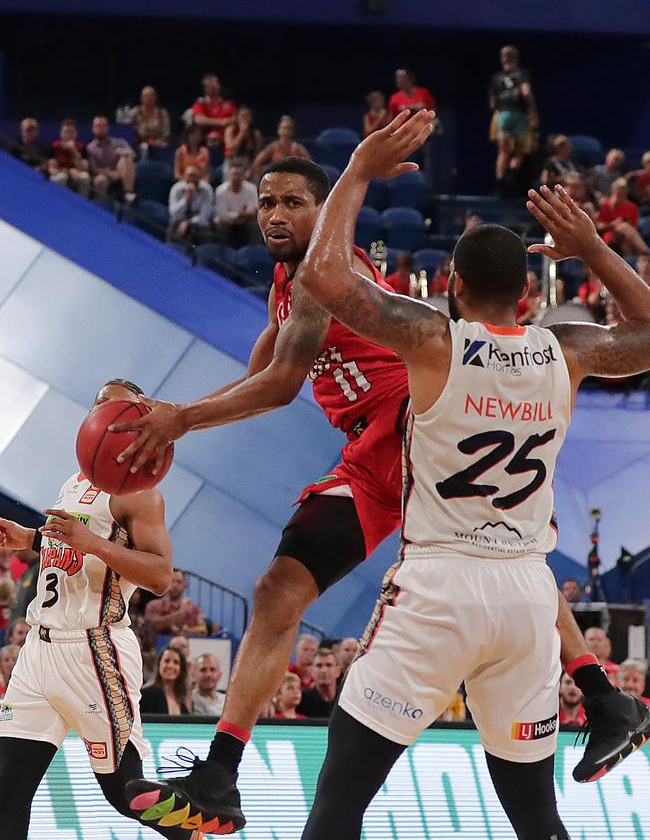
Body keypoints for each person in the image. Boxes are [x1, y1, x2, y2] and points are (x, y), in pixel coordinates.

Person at [121, 149, 644, 834]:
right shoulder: (289, 287)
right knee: (495, 557)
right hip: (406, 471)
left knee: (301, 595)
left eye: (294, 202)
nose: (276, 214)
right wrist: (185, 417)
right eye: (266, 202)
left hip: (403, 430)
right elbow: (261, 379)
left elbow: (282, 384)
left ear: (453, 285)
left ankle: (222, 770)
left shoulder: (339, 290)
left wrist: (181, 418)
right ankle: (604, 695)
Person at [288, 111, 650, 840]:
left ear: (451, 284)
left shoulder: (433, 341)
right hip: (526, 596)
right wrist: (592, 247)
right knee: (535, 815)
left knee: (339, 799)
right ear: (527, 290)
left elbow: (324, 276)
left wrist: (358, 166)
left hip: (440, 586)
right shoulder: (565, 349)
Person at [0, 379, 199, 840]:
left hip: (94, 650)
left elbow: (160, 576)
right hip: (38, 650)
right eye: (98, 407)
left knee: (124, 792)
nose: (101, 416)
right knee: (8, 787)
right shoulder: (74, 480)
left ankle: (195, 828)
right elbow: (69, 551)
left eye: (115, 409)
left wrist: (92, 542)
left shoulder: (139, 492)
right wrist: (28, 538)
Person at [489, 45, 537, 188]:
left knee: (503, 150)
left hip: (503, 114)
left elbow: (492, 103)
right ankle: (512, 173)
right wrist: (533, 110)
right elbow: (526, 92)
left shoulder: (497, 78)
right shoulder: (522, 74)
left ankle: (500, 180)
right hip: (519, 114)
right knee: (519, 150)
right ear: (515, 58)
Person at [86, 115, 136, 202]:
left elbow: (133, 154)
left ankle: (128, 194)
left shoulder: (119, 142)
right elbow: (93, 169)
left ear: (107, 128)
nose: (100, 129)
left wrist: (123, 152)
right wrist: (109, 173)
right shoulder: (90, 148)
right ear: (93, 129)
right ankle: (101, 207)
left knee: (126, 157)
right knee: (100, 180)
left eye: (103, 126)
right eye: (98, 126)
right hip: (103, 174)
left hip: (121, 172)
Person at [597, 178, 650, 257]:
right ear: (613, 192)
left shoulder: (632, 207)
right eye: (618, 193)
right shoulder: (606, 205)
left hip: (626, 236)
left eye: (623, 194)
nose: (620, 196)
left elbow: (634, 227)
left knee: (626, 232)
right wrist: (613, 224)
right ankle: (645, 251)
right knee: (623, 226)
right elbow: (599, 226)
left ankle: (628, 262)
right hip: (610, 234)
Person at [145, 569, 207, 636]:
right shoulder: (154, 605)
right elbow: (153, 626)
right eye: (171, 581)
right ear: (165, 584)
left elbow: (202, 631)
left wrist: (183, 632)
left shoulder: (193, 608)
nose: (175, 585)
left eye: (179, 582)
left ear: (185, 586)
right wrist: (181, 612)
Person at [213, 160, 260, 248]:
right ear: (229, 175)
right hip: (227, 222)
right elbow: (222, 215)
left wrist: (233, 215)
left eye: (239, 174)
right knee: (221, 226)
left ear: (244, 175)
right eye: (234, 174)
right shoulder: (220, 191)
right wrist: (240, 214)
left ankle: (254, 252)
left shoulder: (251, 188)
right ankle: (223, 252)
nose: (236, 177)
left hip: (245, 221)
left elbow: (253, 212)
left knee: (254, 225)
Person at [167, 164, 215, 245]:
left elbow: (204, 216)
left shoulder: (207, 190)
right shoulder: (176, 189)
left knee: (205, 227)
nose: (192, 179)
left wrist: (188, 223)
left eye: (195, 176)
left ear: (200, 177)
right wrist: (185, 199)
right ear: (184, 177)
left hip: (198, 223)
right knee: (173, 225)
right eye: (189, 175)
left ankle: (204, 254)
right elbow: (173, 213)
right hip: (179, 222)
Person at [252, 116, 310, 180]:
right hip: (277, 181)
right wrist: (262, 181)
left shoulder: (298, 148)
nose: (286, 131)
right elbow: (257, 162)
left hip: (293, 182)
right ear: (279, 130)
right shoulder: (272, 147)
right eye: (284, 128)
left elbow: (310, 164)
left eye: (289, 128)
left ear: (292, 131)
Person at [140, 646, 191, 715]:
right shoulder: (145, 694)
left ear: (181, 669)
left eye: (176, 662)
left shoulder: (182, 699)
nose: (170, 666)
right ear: (159, 664)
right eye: (167, 661)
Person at [191, 73, 236, 147]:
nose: (213, 87)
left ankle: (229, 153)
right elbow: (198, 119)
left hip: (225, 136)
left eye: (214, 83)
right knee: (196, 129)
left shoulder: (228, 103)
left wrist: (227, 122)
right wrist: (221, 122)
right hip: (204, 136)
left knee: (231, 128)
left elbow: (234, 118)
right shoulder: (200, 103)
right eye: (209, 85)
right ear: (205, 88)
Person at [48, 118, 91, 196]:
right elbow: (52, 170)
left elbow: (84, 169)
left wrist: (74, 151)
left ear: (75, 134)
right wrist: (67, 171)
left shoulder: (81, 147)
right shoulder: (55, 146)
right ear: (61, 133)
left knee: (85, 177)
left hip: (76, 175)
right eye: (66, 132)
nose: (68, 135)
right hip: (61, 174)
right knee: (62, 177)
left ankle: (82, 205)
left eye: (71, 132)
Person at [298, 648, 339, 719]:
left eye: (329, 665)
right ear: (311, 671)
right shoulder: (301, 700)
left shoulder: (345, 699)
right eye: (319, 666)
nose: (324, 670)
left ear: (338, 671)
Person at [223, 104, 262, 177]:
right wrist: (241, 133)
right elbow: (229, 147)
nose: (245, 118)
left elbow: (257, 154)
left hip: (248, 162)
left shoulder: (255, 133)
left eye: (247, 116)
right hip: (232, 161)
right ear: (237, 117)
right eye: (242, 116)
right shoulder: (230, 130)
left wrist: (251, 170)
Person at [131, 85, 171, 150]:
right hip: (139, 144)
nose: (149, 98)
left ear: (155, 97)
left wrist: (159, 141)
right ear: (141, 98)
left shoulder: (162, 113)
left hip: (158, 144)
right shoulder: (135, 111)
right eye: (146, 96)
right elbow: (128, 128)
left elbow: (166, 133)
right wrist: (138, 131)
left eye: (151, 95)